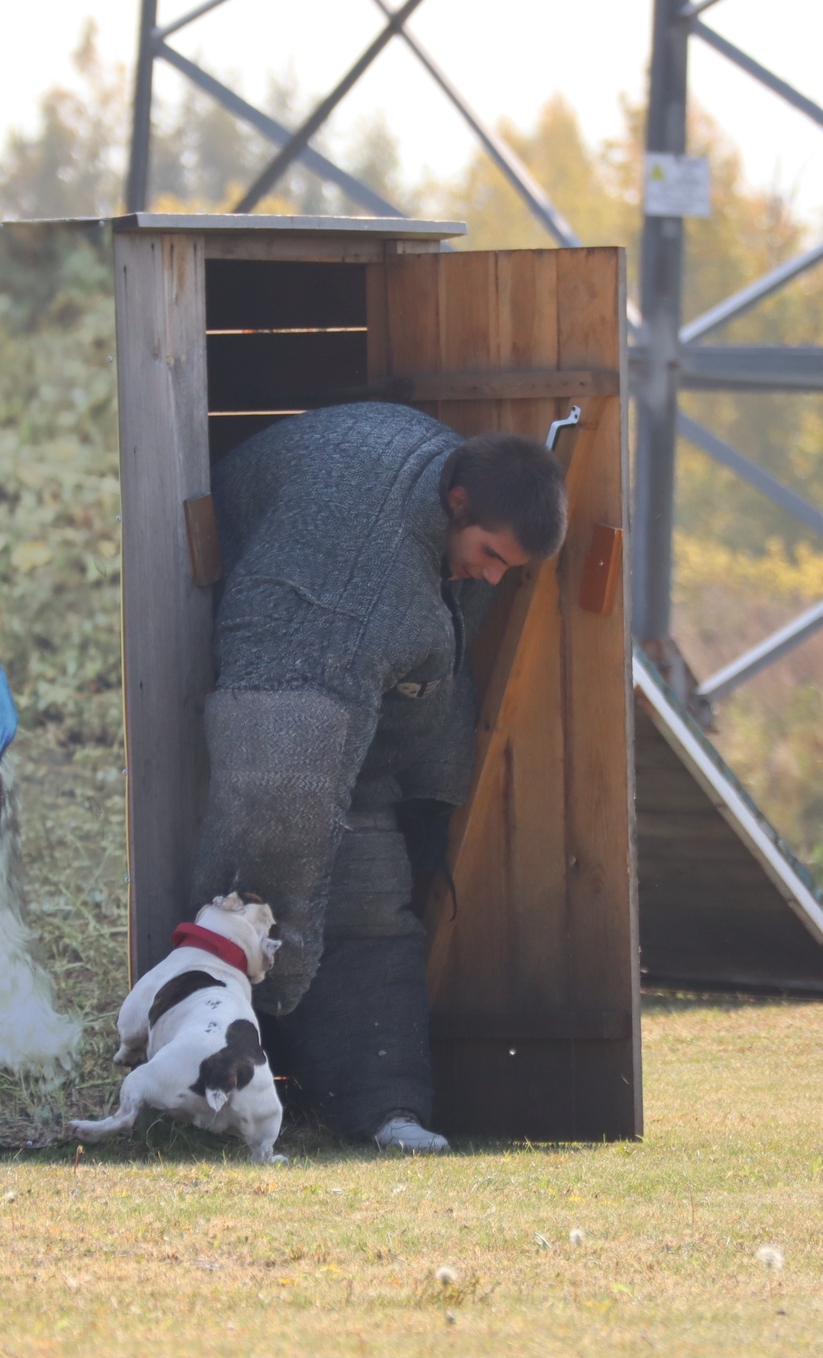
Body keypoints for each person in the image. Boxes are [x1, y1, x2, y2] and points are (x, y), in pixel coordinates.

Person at [189, 401, 569, 1152]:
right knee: (254, 905)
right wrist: (286, 958)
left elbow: (436, 670)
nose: (492, 574)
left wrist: (431, 790)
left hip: (347, 704)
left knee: (373, 902)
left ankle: (387, 1109)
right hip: (279, 673)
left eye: (505, 566)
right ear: (456, 502)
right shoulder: (363, 562)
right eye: (490, 554)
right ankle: (215, 1104)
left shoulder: (460, 506)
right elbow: (285, 765)